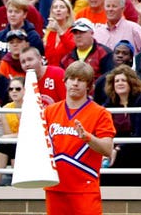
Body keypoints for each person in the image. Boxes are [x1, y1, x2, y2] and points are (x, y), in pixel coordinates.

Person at [44, 61, 116, 215]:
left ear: (89, 86)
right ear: (64, 81)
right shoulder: (49, 111)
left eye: (81, 80)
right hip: (55, 187)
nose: (75, 84)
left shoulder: (100, 113)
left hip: (85, 188)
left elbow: (107, 149)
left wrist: (88, 138)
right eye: (72, 79)